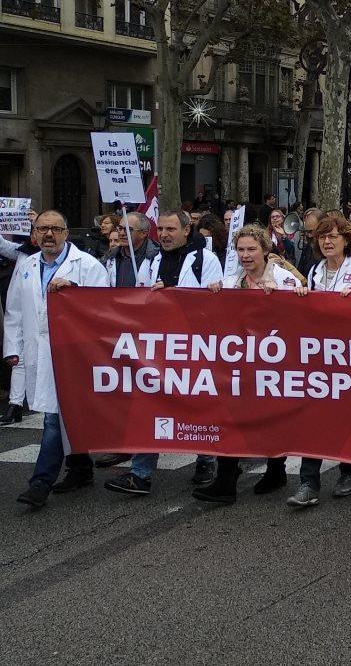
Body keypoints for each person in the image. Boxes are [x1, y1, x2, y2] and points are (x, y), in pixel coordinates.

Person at [107, 210, 225, 497]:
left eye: (171, 228)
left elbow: (212, 305)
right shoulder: (153, 260)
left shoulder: (204, 260)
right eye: (160, 229)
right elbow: (143, 300)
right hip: (160, 347)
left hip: (195, 347)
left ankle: (206, 460)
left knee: (197, 406)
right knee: (150, 406)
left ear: (187, 230)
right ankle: (140, 473)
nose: (165, 234)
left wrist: (171, 293)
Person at [192, 224, 299, 504]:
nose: (246, 255)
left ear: (265, 250)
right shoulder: (231, 281)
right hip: (238, 366)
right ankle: (226, 480)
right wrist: (214, 292)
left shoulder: (284, 279)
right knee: (230, 418)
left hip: (274, 366)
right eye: (241, 249)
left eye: (252, 249)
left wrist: (281, 300)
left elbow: (301, 320)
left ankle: (276, 470)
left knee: (271, 420)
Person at [10, 211, 110, 508]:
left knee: (54, 417)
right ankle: (80, 468)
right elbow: (15, 312)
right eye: (42, 229)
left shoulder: (87, 266)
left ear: (67, 233)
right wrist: (12, 348)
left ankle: (40, 482)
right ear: (35, 233)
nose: (49, 235)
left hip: (73, 354)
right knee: (60, 414)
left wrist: (75, 293)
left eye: (55, 229)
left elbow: (104, 309)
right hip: (38, 352)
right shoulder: (26, 265)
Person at [286, 212, 351, 508]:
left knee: (344, 418)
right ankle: (308, 482)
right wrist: (303, 295)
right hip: (318, 358)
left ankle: (347, 471)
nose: (327, 241)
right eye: (322, 236)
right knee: (312, 419)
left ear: (346, 239)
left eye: (333, 236)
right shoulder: (314, 270)